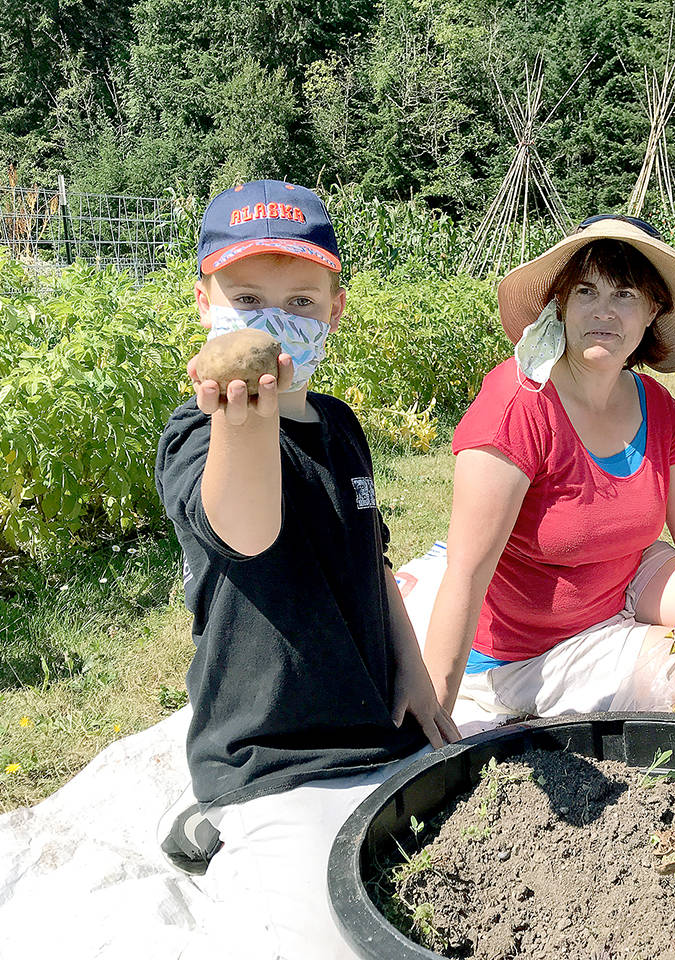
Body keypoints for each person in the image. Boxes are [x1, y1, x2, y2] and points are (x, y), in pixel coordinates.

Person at [153, 179, 458, 960]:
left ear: (335, 310)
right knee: (335, 931)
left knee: (457, 860)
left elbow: (373, 554)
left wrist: (414, 672)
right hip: (273, 749)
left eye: (301, 300)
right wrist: (241, 423)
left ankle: (216, 819)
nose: (274, 321)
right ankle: (224, 810)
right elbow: (245, 533)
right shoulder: (200, 433)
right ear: (204, 303)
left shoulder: (341, 427)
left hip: (372, 726)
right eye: (247, 295)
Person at [422, 215, 675, 725]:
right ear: (560, 302)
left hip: (624, 575)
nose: (603, 312)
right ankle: (647, 654)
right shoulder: (517, 406)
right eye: (586, 291)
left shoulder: (654, 405)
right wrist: (434, 720)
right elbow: (466, 573)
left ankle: (667, 633)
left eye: (626, 295)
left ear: (653, 309)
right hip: (535, 646)